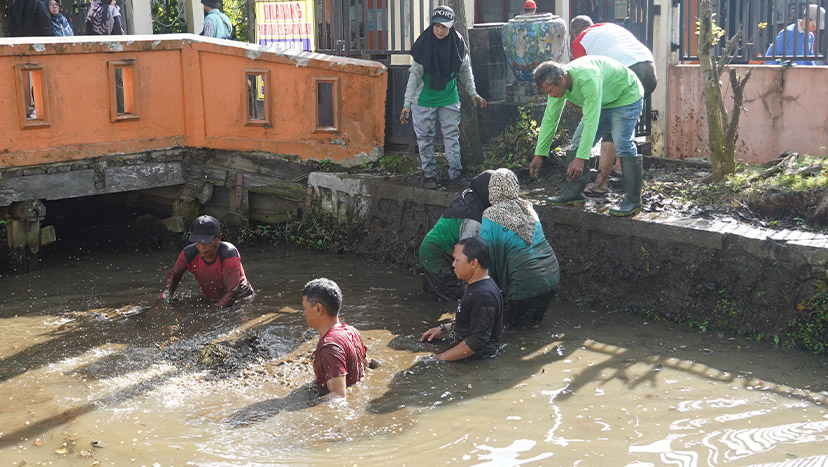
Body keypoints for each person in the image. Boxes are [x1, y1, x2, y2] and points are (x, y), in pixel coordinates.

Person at [529, 57, 644, 216]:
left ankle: (633, 200)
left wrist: (580, 159)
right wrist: (539, 154)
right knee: (577, 141)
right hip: (602, 101)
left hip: (625, 97)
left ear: (560, 80)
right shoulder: (558, 85)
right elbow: (550, 119)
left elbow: (591, 120)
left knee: (622, 143)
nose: (551, 95)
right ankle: (574, 193)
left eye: (550, 91)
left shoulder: (587, 78)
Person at [568, 15, 657, 197]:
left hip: (626, 73)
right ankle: (620, 169)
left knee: (611, 119)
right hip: (649, 69)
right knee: (620, 122)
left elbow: (584, 75)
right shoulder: (609, 26)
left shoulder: (579, 41)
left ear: (574, 33)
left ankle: (601, 183)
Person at [400, 6, 487, 189]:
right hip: (423, 100)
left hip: (449, 97)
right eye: (437, 26)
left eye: (444, 27)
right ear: (432, 25)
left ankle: (455, 175)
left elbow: (465, 71)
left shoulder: (457, 44)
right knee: (425, 139)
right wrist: (407, 103)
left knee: (452, 137)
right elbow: (414, 76)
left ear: (451, 26)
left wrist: (473, 93)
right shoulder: (424, 45)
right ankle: (429, 175)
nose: (440, 30)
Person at [479, 168, 559, 328]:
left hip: (526, 283)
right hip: (552, 276)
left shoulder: (491, 214)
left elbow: (485, 257)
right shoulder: (528, 209)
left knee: (514, 332)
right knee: (534, 326)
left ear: (493, 189)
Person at [420, 236, 504, 360]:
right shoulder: (476, 287)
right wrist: (443, 329)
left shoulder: (483, 295)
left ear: (474, 263)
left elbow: (477, 340)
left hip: (474, 364)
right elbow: (468, 324)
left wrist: (438, 359)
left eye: (457, 260)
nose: (453, 264)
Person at [419, 170, 493, 301]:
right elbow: (468, 258)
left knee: (432, 297)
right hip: (437, 253)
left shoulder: (468, 196)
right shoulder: (473, 220)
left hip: (433, 248)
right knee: (449, 298)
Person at [161, 215, 254, 308]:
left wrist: (214, 311)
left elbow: (233, 291)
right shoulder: (189, 253)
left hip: (241, 302)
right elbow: (174, 274)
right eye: (198, 242)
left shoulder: (228, 254)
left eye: (207, 242)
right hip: (211, 300)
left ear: (219, 238)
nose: (202, 247)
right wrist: (166, 297)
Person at [302, 278, 368, 399]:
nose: (303, 313)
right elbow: (365, 366)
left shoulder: (329, 346)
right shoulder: (351, 331)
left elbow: (338, 395)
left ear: (318, 309)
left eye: (304, 308)